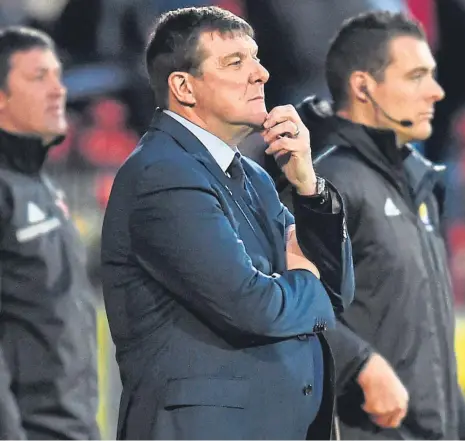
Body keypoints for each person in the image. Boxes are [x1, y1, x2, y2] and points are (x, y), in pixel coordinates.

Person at [101, 6, 354, 440]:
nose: (261, 73)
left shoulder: (252, 175)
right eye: (235, 62)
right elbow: (253, 306)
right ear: (183, 86)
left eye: (255, 58)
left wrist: (308, 187)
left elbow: (338, 289)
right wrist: (308, 278)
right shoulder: (162, 173)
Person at [292, 10, 465, 440]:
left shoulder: (419, 185)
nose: (436, 91)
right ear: (363, 87)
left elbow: (428, 339)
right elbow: (288, 307)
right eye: (416, 76)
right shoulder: (324, 186)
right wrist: (362, 366)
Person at [0, 27, 99, 439]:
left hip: (72, 427)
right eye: (39, 77)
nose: (59, 90)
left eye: (59, 75)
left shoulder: (40, 183)